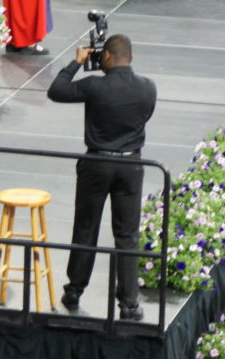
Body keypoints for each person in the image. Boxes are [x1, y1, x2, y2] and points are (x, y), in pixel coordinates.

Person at [47, 35, 156, 322]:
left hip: (96, 163)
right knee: (127, 236)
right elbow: (144, 117)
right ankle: (129, 304)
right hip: (132, 164)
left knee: (86, 228)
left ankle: (74, 291)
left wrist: (77, 62)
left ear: (105, 57)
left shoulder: (95, 85)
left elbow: (56, 90)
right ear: (130, 58)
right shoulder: (148, 88)